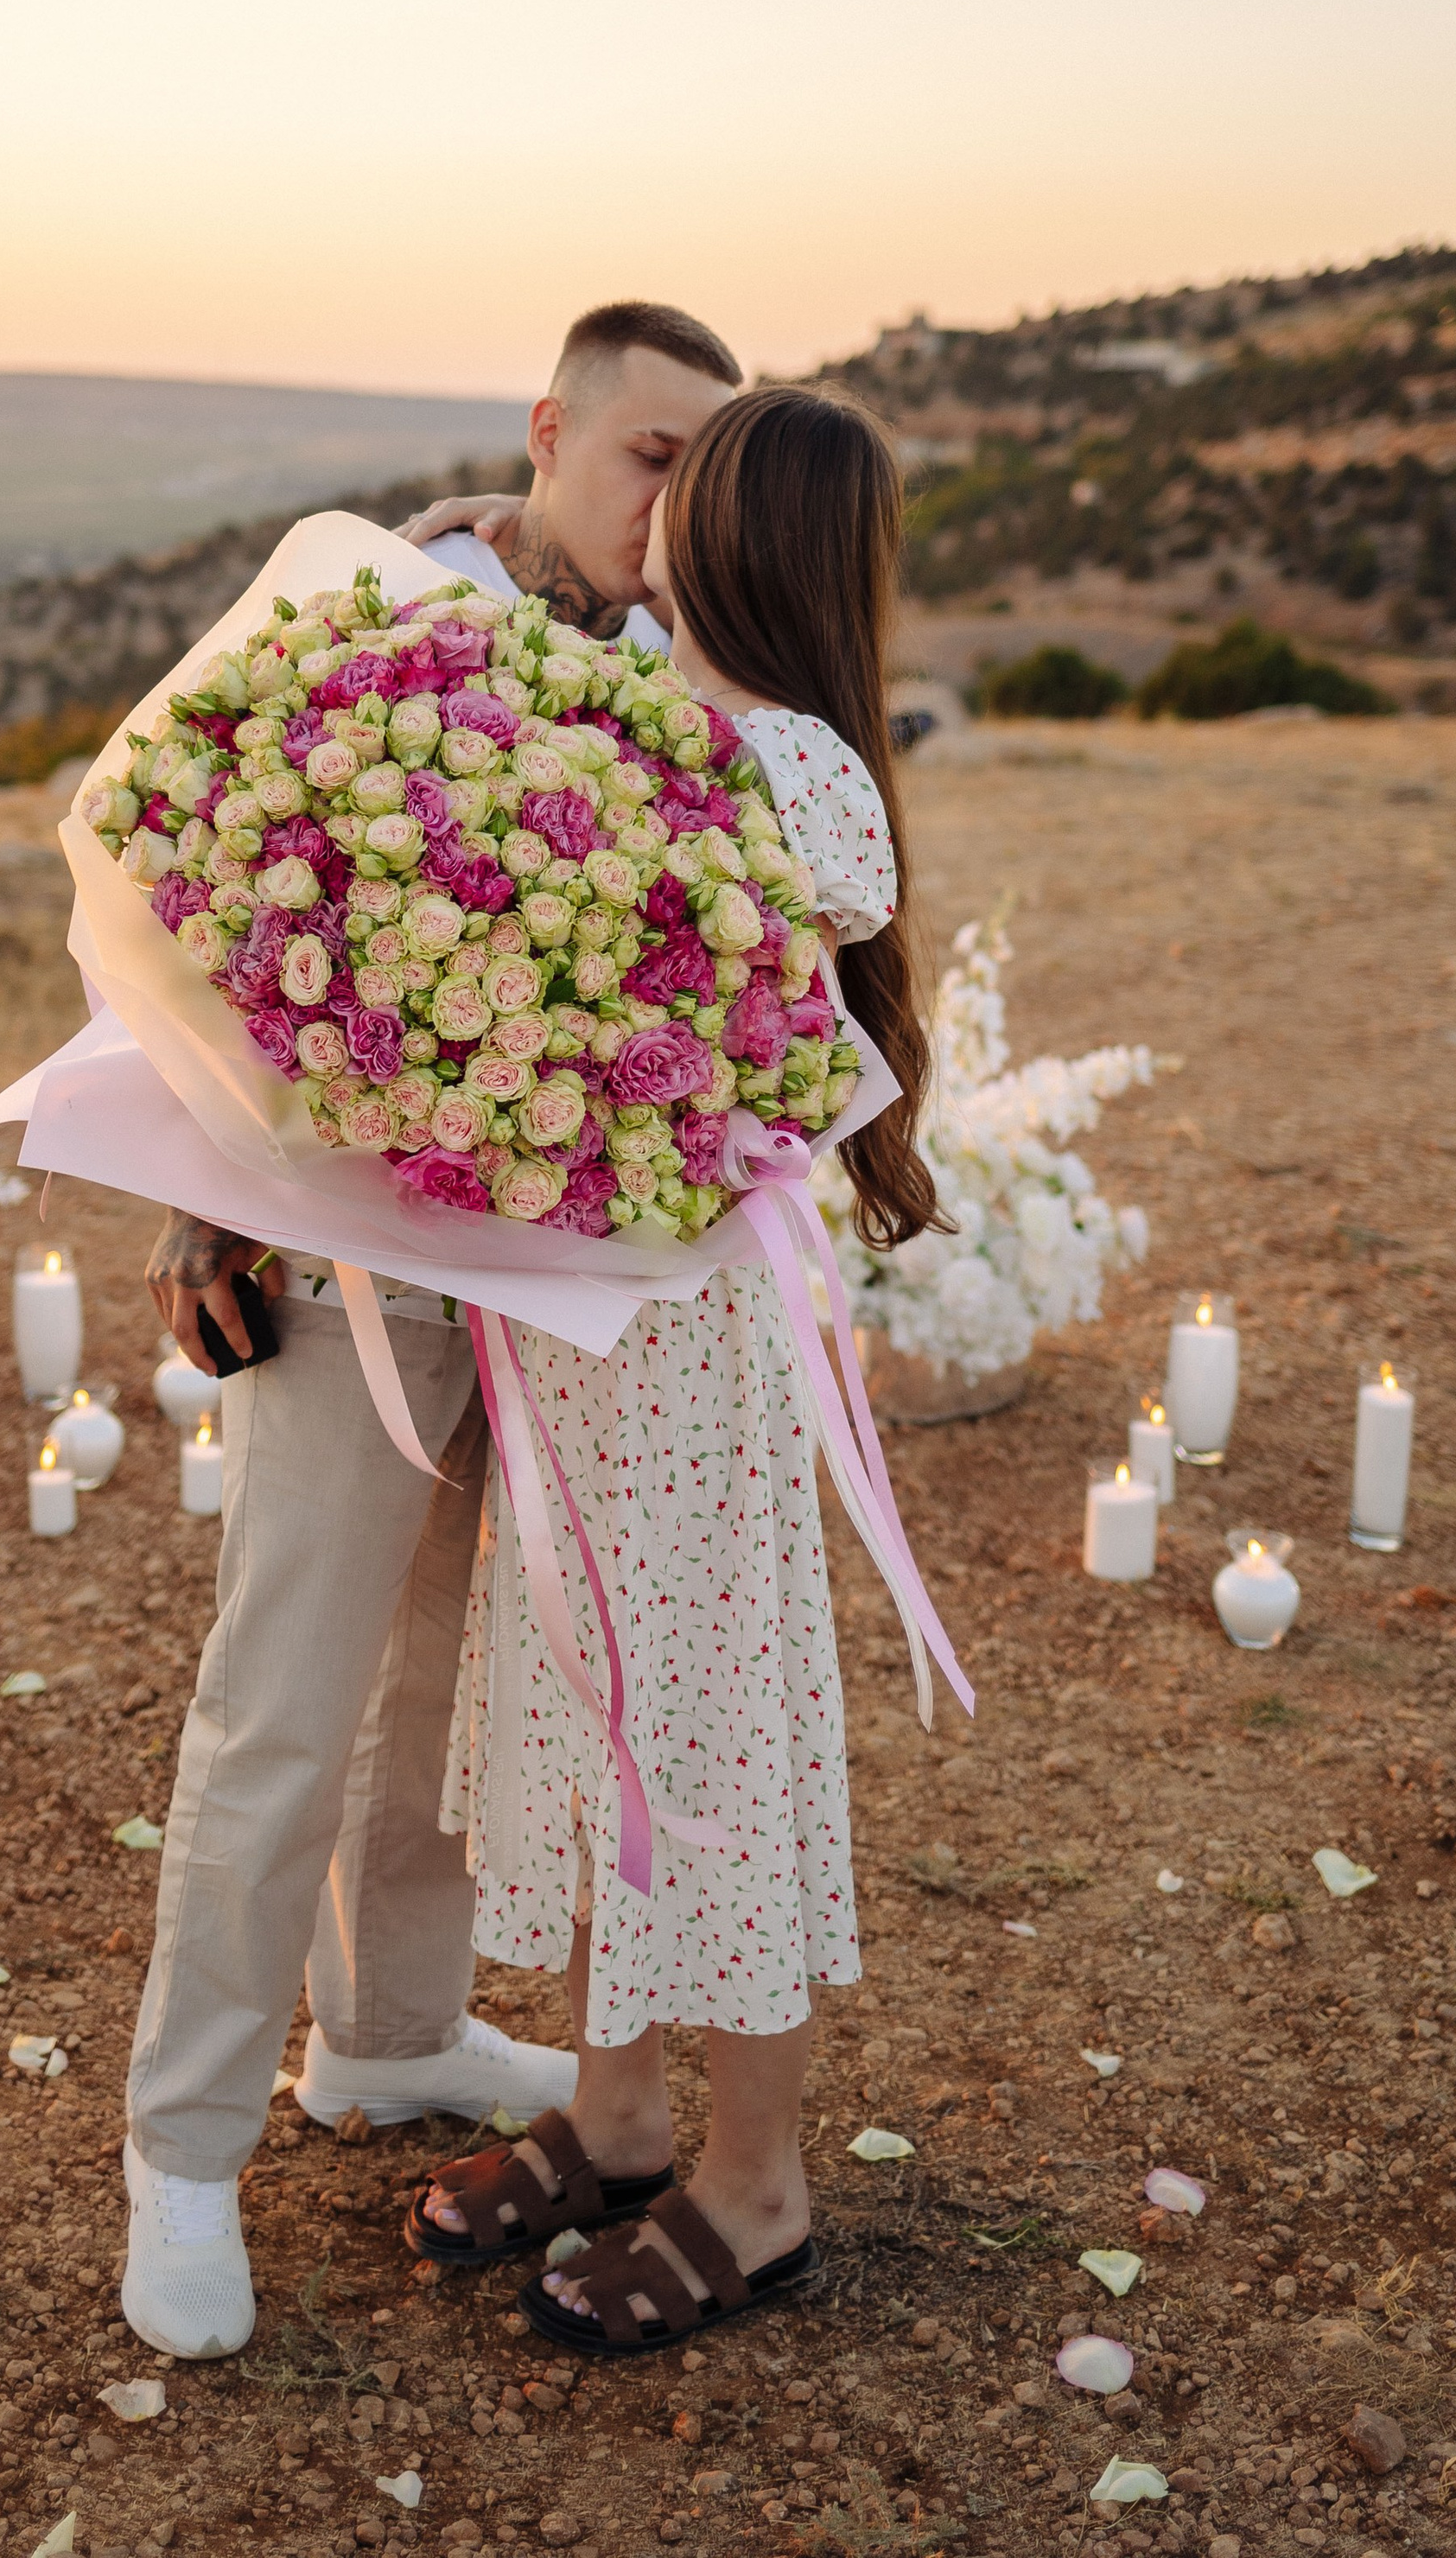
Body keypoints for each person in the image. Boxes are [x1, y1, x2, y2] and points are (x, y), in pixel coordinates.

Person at [120, 299, 743, 2357]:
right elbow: (206, 891)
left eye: (706, 467)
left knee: (448, 1678)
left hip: (554, 1293)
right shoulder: (397, 607)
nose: (677, 501)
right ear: (551, 425)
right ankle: (181, 2151)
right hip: (332, 1261)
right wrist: (201, 1190)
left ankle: (382, 2035)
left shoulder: (679, 669)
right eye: (650, 455)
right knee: (281, 1691)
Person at [410, 384, 941, 2357]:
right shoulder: (646, 697)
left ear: (738, 536)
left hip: (691, 1349)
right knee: (593, 1695)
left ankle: (756, 2180)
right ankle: (615, 2111)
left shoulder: (791, 769)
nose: (638, 513)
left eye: (679, 486)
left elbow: (637, 917)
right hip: (579, 1333)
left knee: (702, 1737)